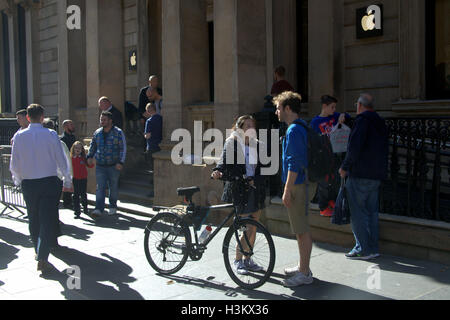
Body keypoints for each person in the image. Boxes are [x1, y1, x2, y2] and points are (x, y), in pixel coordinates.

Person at [10, 104, 72, 273]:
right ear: (42, 117)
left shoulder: (19, 136)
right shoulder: (51, 135)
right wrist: (66, 179)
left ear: (28, 117)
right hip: (49, 181)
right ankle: (42, 255)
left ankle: (39, 252)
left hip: (29, 183)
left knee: (33, 218)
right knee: (46, 219)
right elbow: (61, 159)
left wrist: (18, 180)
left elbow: (14, 163)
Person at [211, 115, 266, 275]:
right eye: (247, 125)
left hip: (255, 188)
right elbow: (222, 161)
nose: (251, 128)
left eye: (252, 126)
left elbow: (263, 168)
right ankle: (237, 260)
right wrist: (217, 170)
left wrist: (254, 179)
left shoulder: (258, 145)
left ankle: (248, 259)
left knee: (254, 227)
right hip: (239, 189)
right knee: (246, 228)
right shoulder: (232, 143)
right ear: (240, 128)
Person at [274, 91, 317, 287]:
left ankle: (304, 273)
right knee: (301, 228)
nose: (276, 111)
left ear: (288, 109)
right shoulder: (301, 127)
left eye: (278, 108)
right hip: (302, 183)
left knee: (301, 230)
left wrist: (287, 189)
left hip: (299, 185)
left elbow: (295, 163)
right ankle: (302, 267)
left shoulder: (293, 130)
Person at [339, 93, 389, 260]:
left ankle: (363, 248)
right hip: (376, 174)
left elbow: (354, 147)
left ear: (359, 106)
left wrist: (345, 167)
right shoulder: (379, 122)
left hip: (360, 173)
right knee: (372, 212)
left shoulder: (362, 121)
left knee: (358, 213)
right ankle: (373, 247)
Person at [310, 95, 351, 217]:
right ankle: (323, 206)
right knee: (324, 180)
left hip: (335, 152)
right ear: (324, 106)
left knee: (335, 178)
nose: (334, 110)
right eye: (332, 107)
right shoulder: (315, 122)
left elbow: (347, 116)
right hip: (323, 155)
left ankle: (332, 200)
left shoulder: (334, 117)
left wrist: (342, 116)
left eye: (335, 107)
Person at [87, 111, 126, 217]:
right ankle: (99, 208)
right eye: (101, 119)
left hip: (114, 165)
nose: (102, 121)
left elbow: (123, 148)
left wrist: (120, 162)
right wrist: (90, 156)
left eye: (104, 120)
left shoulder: (118, 132)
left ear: (110, 121)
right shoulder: (97, 133)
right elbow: (93, 145)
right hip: (100, 165)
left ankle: (112, 206)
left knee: (113, 187)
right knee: (100, 187)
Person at [71, 141, 94, 219]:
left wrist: (91, 163)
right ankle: (77, 211)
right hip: (75, 178)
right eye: (76, 148)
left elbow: (90, 165)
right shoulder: (71, 158)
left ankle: (85, 207)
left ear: (82, 150)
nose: (77, 150)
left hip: (83, 178)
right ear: (73, 149)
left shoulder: (83, 158)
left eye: (79, 148)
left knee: (83, 194)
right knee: (76, 195)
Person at [60, 119, 77, 209]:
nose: (73, 126)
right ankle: (67, 202)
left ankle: (73, 200)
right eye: (71, 125)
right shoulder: (62, 139)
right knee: (67, 181)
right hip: (67, 163)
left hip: (74, 162)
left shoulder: (73, 137)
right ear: (65, 126)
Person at [144, 103, 163, 170]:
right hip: (161, 145)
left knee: (152, 167)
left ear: (148, 111)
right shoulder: (161, 118)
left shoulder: (149, 121)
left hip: (152, 146)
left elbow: (148, 136)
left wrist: (144, 135)